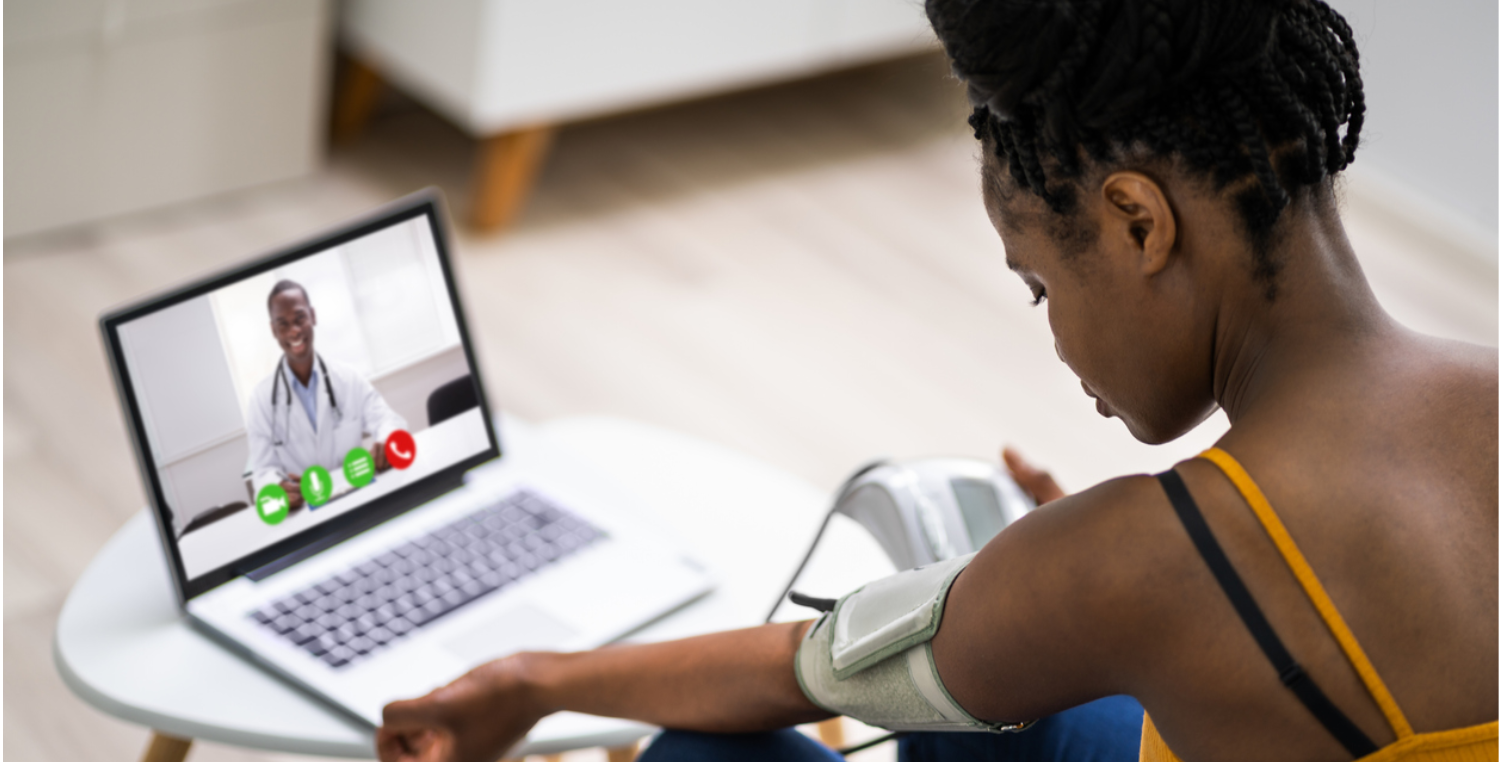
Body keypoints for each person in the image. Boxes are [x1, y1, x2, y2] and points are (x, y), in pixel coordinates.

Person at [376, 1, 1497, 760]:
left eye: (1038, 288)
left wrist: (532, 682)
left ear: (1136, 220)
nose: (1056, 342)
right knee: (990, 686)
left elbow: (810, 668)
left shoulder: (1145, 561)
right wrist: (1106, 574)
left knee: (708, 749)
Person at [245, 279, 407, 509]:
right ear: (273, 330)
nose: (294, 331)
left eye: (300, 318)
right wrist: (277, 486)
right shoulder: (261, 400)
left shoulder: (348, 377)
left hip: (360, 496)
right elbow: (262, 471)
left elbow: (388, 420)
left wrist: (386, 440)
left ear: (313, 316)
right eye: (283, 324)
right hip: (308, 511)